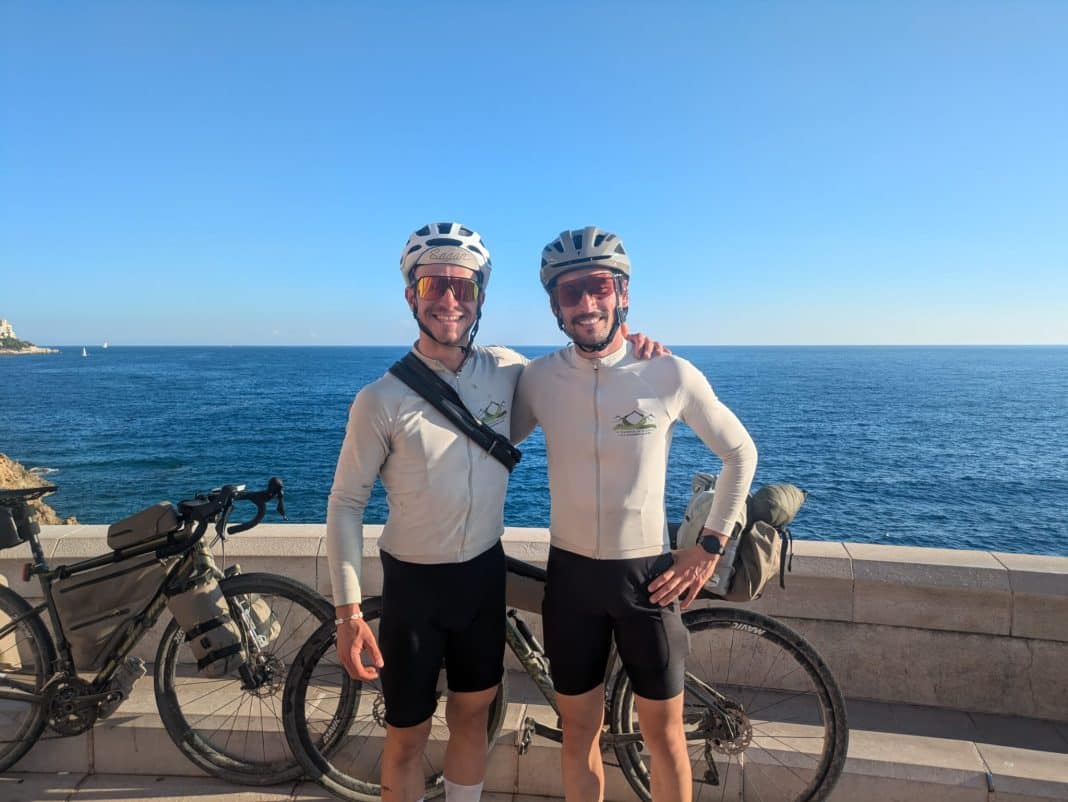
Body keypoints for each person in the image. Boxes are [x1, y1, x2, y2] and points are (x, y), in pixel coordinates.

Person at [326, 222, 665, 802]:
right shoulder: (379, 400)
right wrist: (348, 610)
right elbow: (345, 504)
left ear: (480, 296)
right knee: (405, 737)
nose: (450, 300)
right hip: (414, 586)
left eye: (464, 287)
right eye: (435, 286)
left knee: (472, 718)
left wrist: (633, 348)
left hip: (482, 578)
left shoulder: (510, 372)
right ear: (412, 295)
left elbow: (580, 374)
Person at [511, 226, 758, 802]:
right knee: (578, 735)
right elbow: (484, 434)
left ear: (623, 293)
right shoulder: (538, 380)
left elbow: (740, 453)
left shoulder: (667, 373)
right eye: (570, 294)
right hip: (571, 580)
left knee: (664, 738)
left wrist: (709, 547)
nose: (586, 303)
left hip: (646, 578)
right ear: (554, 307)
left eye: (598, 286)